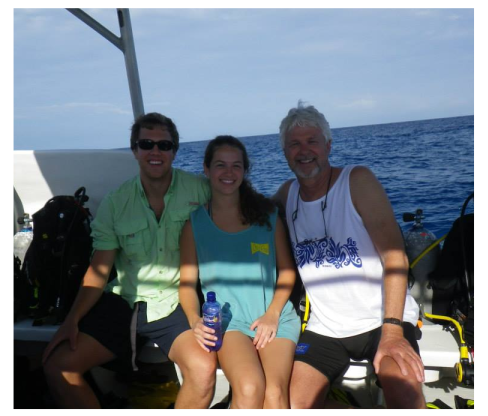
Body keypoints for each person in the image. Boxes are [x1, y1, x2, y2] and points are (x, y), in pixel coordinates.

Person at [42, 112, 217, 409]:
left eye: (164, 145)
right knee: (58, 367)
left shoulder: (201, 190)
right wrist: (71, 320)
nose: (155, 151)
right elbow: (99, 272)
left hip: (178, 303)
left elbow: (239, 217)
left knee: (204, 371)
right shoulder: (115, 203)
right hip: (125, 303)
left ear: (174, 151)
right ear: (134, 150)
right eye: (146, 143)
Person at [273, 101, 426, 409]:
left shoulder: (356, 181)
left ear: (328, 145)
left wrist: (393, 330)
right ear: (285, 152)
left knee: (405, 390)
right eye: (294, 144)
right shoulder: (286, 195)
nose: (304, 151)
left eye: (312, 141)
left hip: (383, 319)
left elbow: (396, 258)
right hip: (326, 327)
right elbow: (244, 212)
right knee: (293, 403)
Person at [179, 136, 301, 409]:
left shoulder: (268, 216)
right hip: (229, 323)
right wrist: (194, 320)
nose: (229, 172)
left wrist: (272, 314)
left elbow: (287, 273)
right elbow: (187, 285)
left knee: (275, 395)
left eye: (236, 166)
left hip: (274, 317)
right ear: (206, 169)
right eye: (220, 165)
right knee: (249, 387)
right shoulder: (194, 225)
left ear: (245, 171)